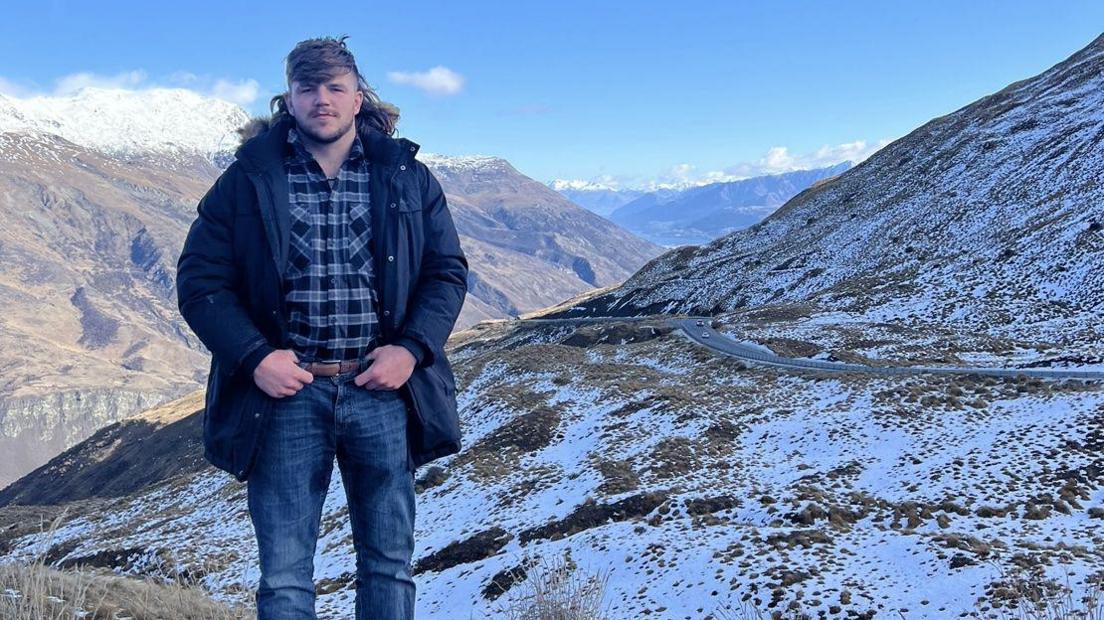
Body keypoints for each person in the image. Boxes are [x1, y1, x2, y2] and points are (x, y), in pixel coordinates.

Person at [176, 35, 468, 619]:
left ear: (359, 97)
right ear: (289, 98)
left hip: (381, 391)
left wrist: (410, 351)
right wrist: (256, 356)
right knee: (284, 574)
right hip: (285, 395)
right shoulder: (247, 179)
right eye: (308, 88)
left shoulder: (406, 176)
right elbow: (200, 281)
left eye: (335, 87)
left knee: (388, 562)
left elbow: (446, 272)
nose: (322, 100)